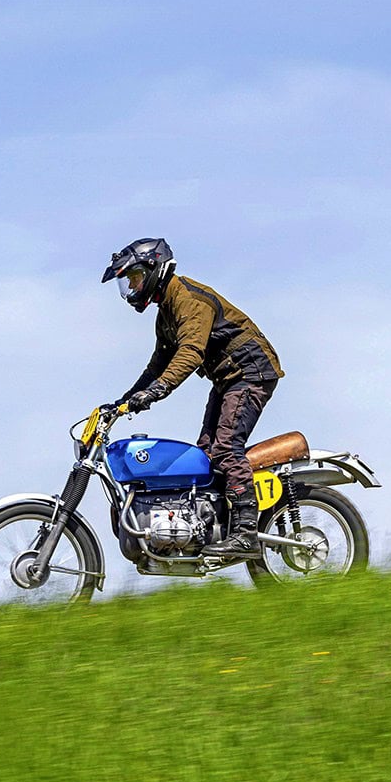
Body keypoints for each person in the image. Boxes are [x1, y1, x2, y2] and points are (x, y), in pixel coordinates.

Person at [100, 238, 283, 558]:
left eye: (135, 278)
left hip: (249, 374)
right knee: (205, 456)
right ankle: (212, 527)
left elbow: (190, 353)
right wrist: (124, 401)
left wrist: (157, 391)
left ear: (154, 270)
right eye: (128, 281)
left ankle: (245, 534)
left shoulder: (188, 300)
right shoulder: (166, 312)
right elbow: (157, 365)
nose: (132, 287)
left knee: (226, 448)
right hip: (228, 380)